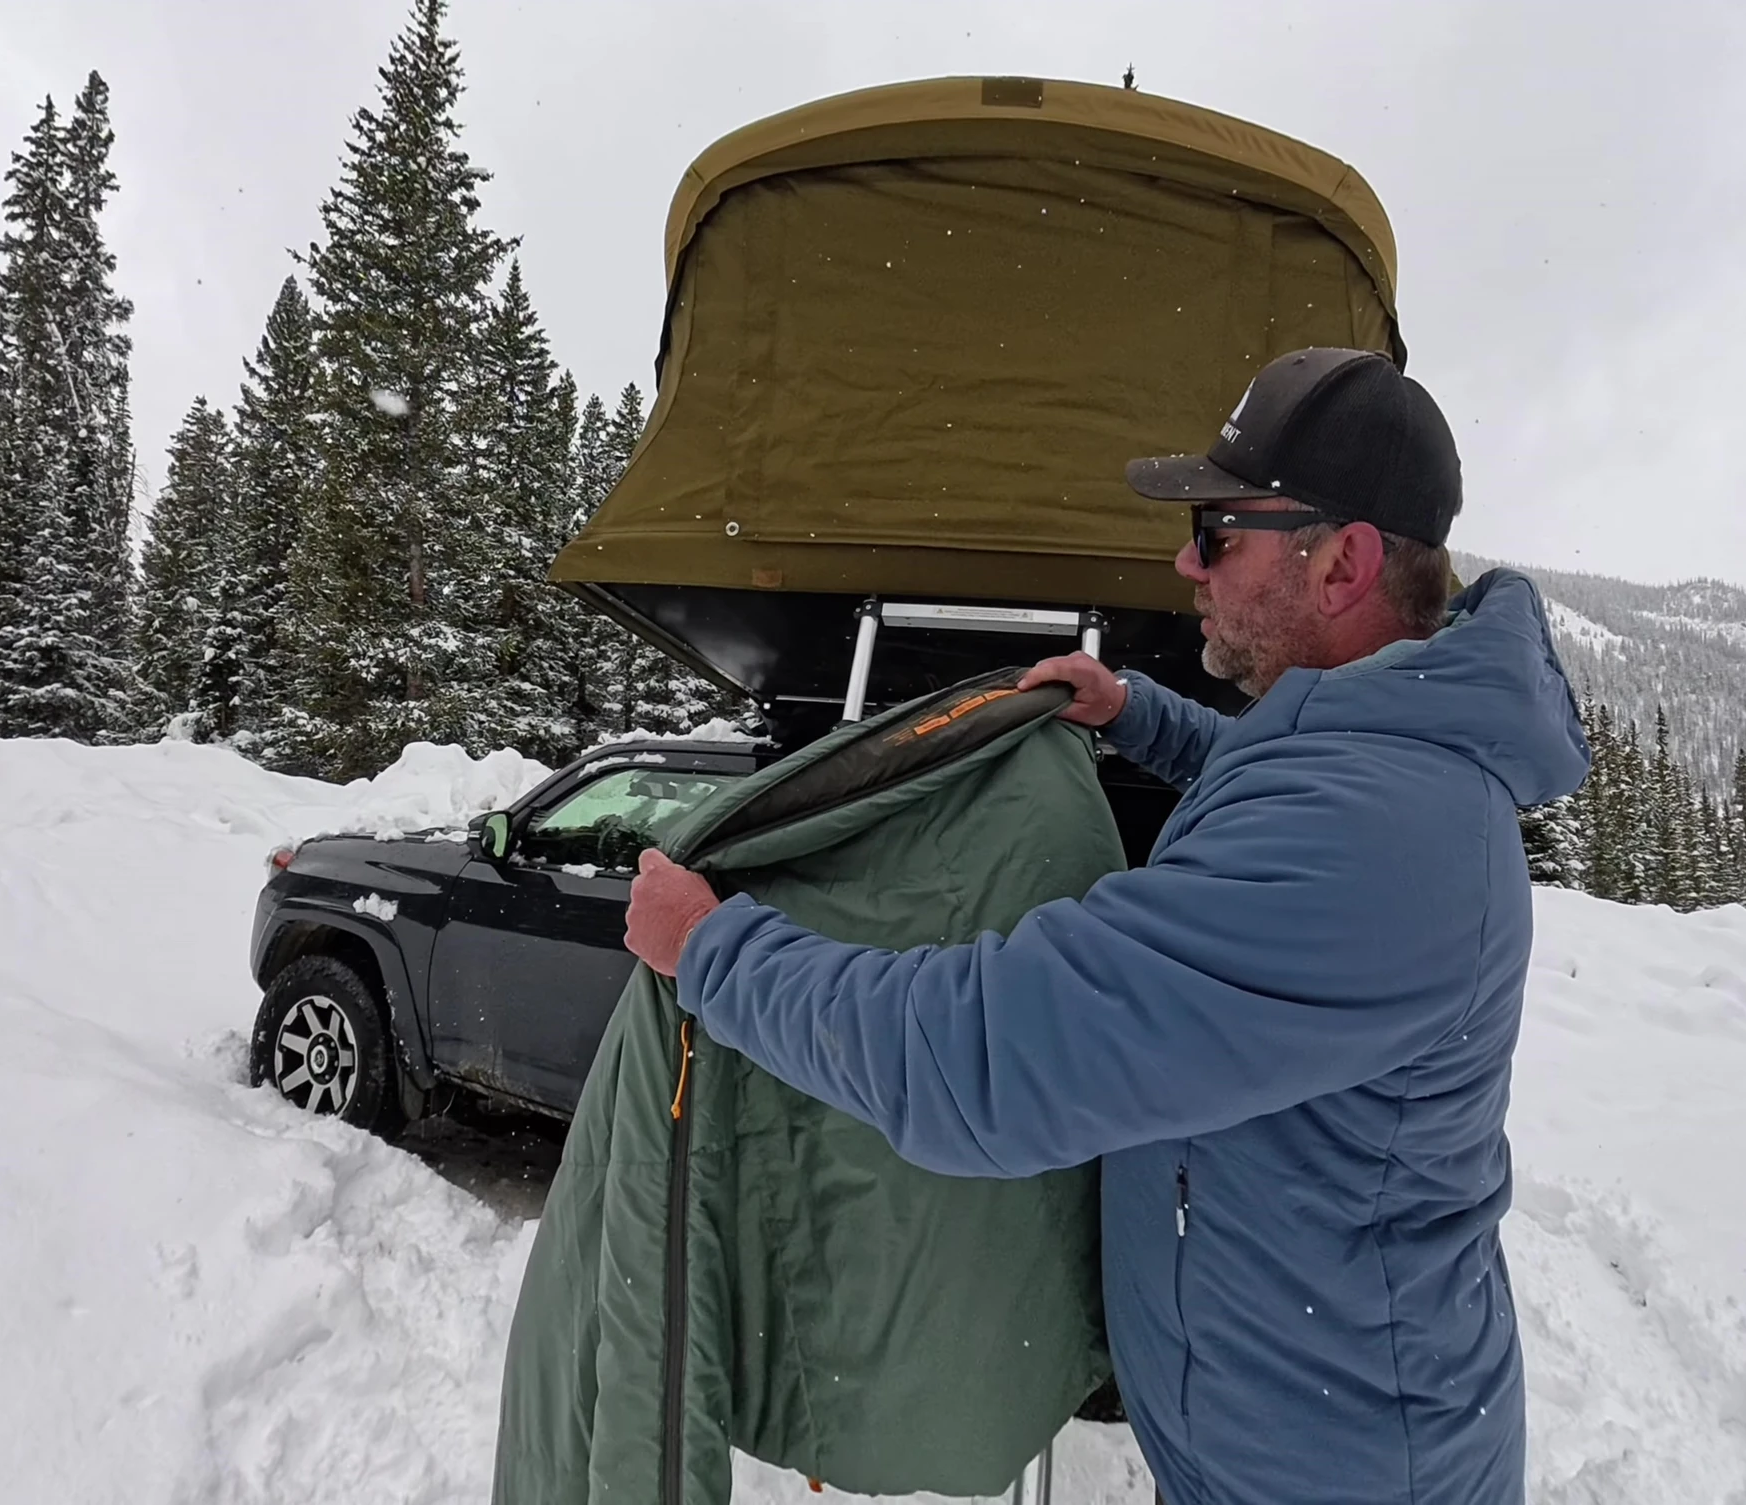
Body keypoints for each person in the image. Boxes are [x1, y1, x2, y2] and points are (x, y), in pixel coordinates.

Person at [624, 347, 1589, 1505]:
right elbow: (1274, 776)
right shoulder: (1372, 754)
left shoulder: (1380, 838)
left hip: (1332, 1468)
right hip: (1291, 1421)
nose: (1186, 561)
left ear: (1344, 561)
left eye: (1221, 531)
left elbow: (983, 1059)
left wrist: (714, 950)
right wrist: (1141, 713)